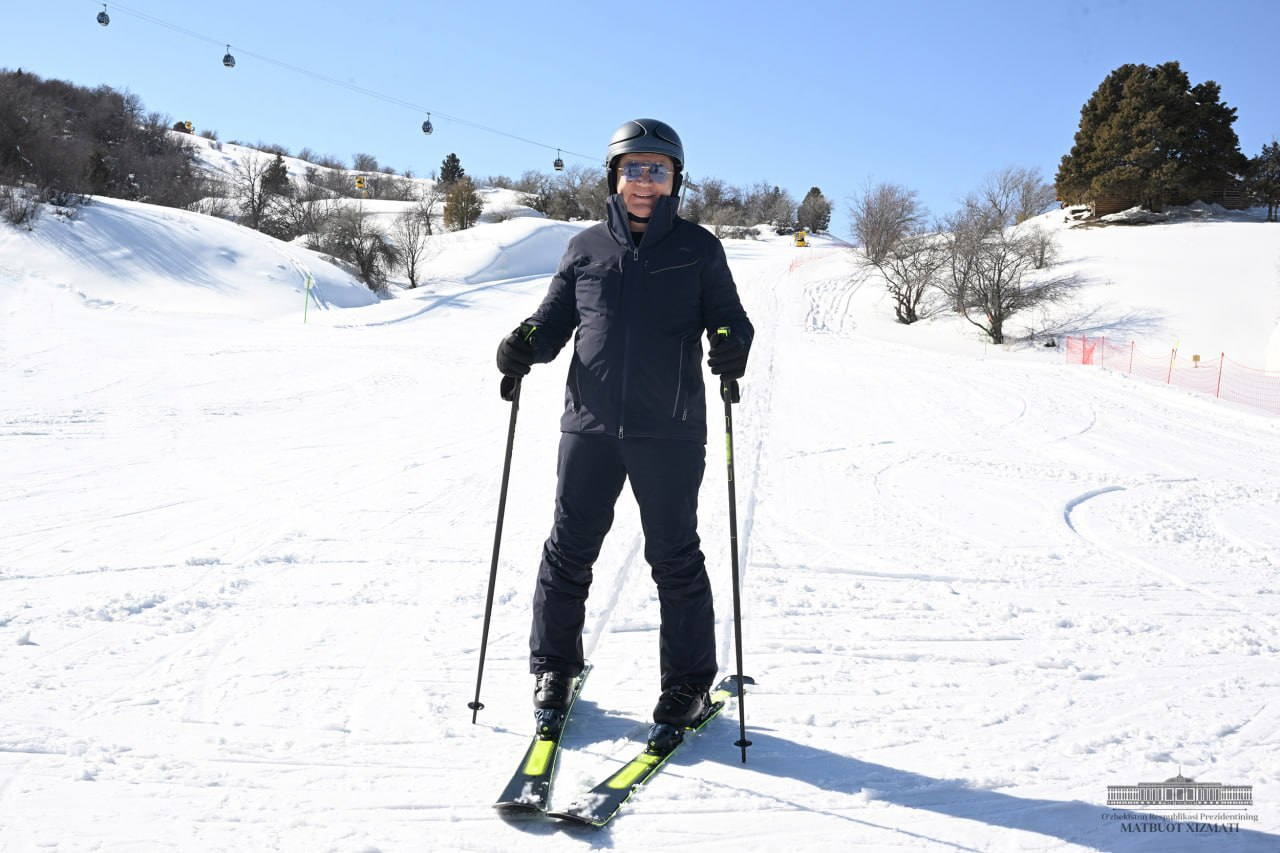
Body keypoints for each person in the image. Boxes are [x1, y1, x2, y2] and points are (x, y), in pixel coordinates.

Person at [494, 118, 753, 731]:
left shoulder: (699, 248)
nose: (644, 182)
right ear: (613, 176)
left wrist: (729, 343)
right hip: (589, 426)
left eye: (656, 170)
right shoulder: (585, 248)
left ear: (675, 181)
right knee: (568, 549)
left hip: (670, 429)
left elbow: (729, 318)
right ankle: (555, 667)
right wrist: (523, 343)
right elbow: (553, 322)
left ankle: (687, 684)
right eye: (633, 168)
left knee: (674, 556)